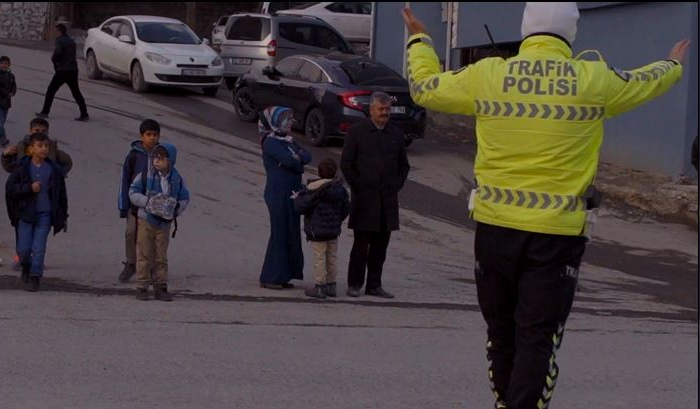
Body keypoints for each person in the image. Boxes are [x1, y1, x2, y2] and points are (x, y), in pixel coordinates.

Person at [402, 3, 690, 408]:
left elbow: (424, 88)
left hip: (495, 229)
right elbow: (645, 81)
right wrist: (673, 65)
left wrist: (419, 38)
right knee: (537, 339)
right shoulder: (593, 78)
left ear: (525, 30)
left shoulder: (489, 75)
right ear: (571, 34)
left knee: (501, 334)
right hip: (557, 236)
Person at [340, 92, 410, 299]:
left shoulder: (396, 134)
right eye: (381, 109)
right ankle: (354, 284)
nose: (385, 113)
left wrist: (395, 186)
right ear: (371, 110)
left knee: (380, 247)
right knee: (361, 246)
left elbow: (404, 165)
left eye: (388, 109)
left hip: (387, 201)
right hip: (364, 200)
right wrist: (358, 185)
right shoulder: (357, 132)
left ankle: (374, 285)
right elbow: (346, 163)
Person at [1, 117, 72, 272]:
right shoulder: (21, 149)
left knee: (39, 240)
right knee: (23, 237)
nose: (43, 148)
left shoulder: (51, 150)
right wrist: (6, 155)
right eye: (36, 131)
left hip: (43, 206)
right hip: (24, 202)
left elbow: (67, 162)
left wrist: (59, 176)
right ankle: (22, 258)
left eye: (43, 132)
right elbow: (10, 169)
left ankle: (35, 268)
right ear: (30, 131)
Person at [259, 106, 313, 290]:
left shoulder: (288, 141)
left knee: (290, 232)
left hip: (292, 193)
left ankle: (285, 275)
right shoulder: (270, 142)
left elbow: (307, 156)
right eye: (287, 120)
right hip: (278, 192)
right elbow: (291, 161)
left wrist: (296, 159)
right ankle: (270, 276)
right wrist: (296, 160)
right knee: (279, 232)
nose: (291, 123)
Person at [128, 143, 190, 301]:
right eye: (155, 157)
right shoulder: (145, 175)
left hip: (164, 223)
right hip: (146, 219)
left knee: (160, 256)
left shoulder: (176, 178)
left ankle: (160, 286)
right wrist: (147, 202)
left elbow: (184, 197)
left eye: (162, 158)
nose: (157, 161)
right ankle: (142, 286)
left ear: (170, 161)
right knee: (144, 253)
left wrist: (175, 210)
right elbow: (133, 192)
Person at [293, 158, 350, 299]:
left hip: (317, 230)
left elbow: (300, 207)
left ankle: (320, 285)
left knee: (319, 257)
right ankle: (332, 285)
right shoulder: (340, 189)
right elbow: (345, 209)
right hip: (333, 230)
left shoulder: (314, 189)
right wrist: (337, 220)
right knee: (332, 257)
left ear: (319, 172)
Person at [118, 119, 161, 283]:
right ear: (141, 136)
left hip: (154, 205)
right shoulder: (134, 156)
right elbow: (124, 181)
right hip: (134, 203)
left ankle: (149, 267)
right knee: (130, 232)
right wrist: (123, 206)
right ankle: (131, 263)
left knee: (150, 236)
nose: (152, 138)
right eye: (148, 135)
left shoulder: (162, 155)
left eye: (155, 135)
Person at [36, 23, 89, 121]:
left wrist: (54, 61)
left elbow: (58, 53)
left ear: (59, 31)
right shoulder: (71, 41)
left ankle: (45, 112)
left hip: (63, 70)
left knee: (51, 90)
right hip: (73, 70)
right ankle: (84, 113)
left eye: (56, 31)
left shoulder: (59, 40)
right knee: (76, 91)